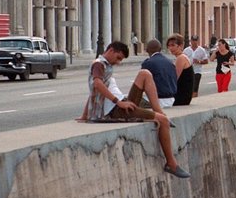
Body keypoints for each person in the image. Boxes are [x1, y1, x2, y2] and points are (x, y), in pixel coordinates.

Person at [81, 41, 189, 178]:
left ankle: (161, 113)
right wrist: (118, 102)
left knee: (145, 74)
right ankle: (171, 164)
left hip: (121, 104)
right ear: (111, 51)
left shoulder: (105, 65)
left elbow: (93, 95)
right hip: (114, 110)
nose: (118, 62)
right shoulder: (99, 64)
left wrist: (85, 115)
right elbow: (96, 85)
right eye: (118, 58)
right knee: (161, 121)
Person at [141, 39, 178, 108]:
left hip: (157, 100)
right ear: (160, 49)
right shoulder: (170, 62)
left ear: (147, 50)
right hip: (171, 99)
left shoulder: (148, 63)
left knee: (133, 104)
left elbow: (142, 84)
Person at [166, 34, 193, 106]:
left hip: (181, 97)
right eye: (169, 46)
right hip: (183, 96)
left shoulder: (181, 58)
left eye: (173, 45)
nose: (170, 48)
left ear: (180, 46)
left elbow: (174, 79)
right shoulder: (182, 57)